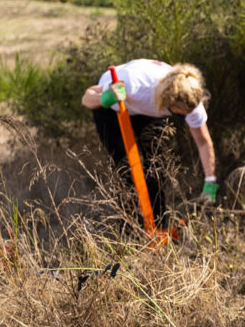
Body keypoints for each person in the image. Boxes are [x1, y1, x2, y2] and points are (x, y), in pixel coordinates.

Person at [81, 59, 218, 226]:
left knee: (157, 165)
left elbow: (203, 142)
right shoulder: (134, 84)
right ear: (168, 100)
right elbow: (87, 97)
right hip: (112, 107)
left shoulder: (190, 101)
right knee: (124, 167)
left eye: (186, 113)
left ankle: (159, 226)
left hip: (148, 111)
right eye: (180, 113)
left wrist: (210, 181)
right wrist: (105, 97)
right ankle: (130, 228)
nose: (185, 116)